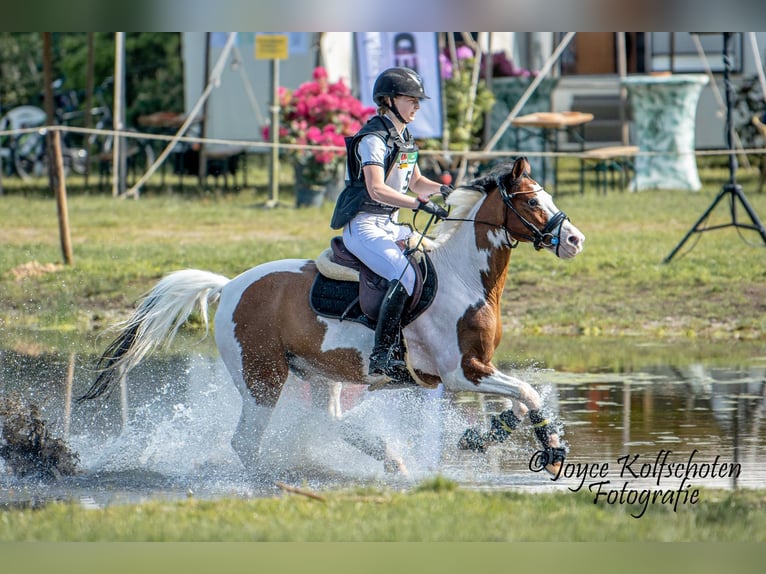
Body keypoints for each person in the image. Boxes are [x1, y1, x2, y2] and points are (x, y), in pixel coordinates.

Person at [329, 66, 452, 386]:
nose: (417, 106)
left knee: (435, 264)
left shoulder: (405, 138)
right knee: (405, 275)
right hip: (365, 227)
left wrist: (443, 190)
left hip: (391, 225)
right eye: (411, 99)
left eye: (418, 100)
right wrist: (418, 204)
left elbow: (417, 183)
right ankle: (382, 353)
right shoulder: (372, 139)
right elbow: (377, 189)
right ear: (389, 100)